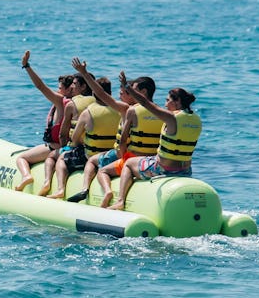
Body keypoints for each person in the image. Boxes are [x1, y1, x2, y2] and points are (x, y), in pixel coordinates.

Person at [67, 58, 162, 207]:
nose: (127, 93)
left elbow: (101, 94)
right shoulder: (162, 113)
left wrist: (84, 74)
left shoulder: (127, 110)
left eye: (131, 90)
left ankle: (93, 190)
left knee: (93, 162)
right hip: (150, 159)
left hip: (129, 157)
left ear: (143, 92)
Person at [110, 71, 201, 211]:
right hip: (186, 170)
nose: (165, 104)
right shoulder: (196, 120)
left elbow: (146, 103)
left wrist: (126, 87)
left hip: (163, 168)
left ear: (177, 102)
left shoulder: (172, 118)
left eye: (168, 100)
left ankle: (120, 201)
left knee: (128, 164)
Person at [14, 50, 78, 192]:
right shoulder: (79, 103)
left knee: (21, 158)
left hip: (54, 147)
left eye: (60, 88)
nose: (57, 91)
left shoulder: (61, 101)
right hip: (70, 147)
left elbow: (40, 86)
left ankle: (26, 176)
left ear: (68, 90)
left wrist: (26, 66)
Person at [45, 76, 119, 200]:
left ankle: (61, 189)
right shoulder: (121, 110)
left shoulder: (88, 112)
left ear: (95, 93)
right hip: (112, 154)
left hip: (90, 154)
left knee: (62, 158)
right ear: (110, 93)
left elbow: (74, 138)